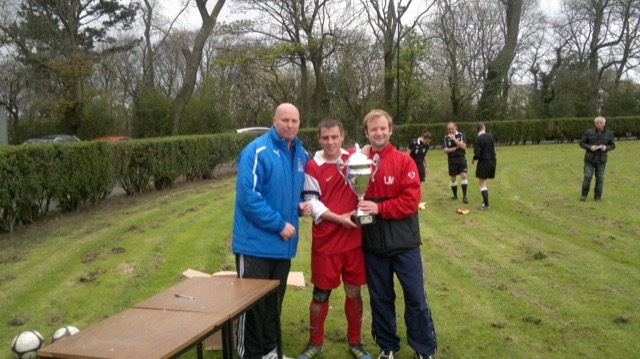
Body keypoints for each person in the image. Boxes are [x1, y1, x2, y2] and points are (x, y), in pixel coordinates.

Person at [232, 103, 311, 359]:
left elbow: (288, 192)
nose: (290, 125)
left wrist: (297, 207)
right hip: (255, 246)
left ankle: (269, 352)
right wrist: (279, 224)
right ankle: (250, 356)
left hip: (282, 247)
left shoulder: (300, 154)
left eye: (294, 121)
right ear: (274, 121)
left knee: (273, 306)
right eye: (285, 120)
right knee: (253, 308)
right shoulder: (256, 151)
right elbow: (248, 197)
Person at [357, 109, 437, 359]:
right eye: (373, 129)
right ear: (366, 132)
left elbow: (410, 203)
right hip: (374, 247)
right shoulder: (359, 163)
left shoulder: (404, 161)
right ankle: (387, 347)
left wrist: (379, 208)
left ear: (390, 130)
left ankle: (424, 350)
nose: (378, 133)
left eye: (383, 128)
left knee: (415, 298)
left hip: (405, 245)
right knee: (380, 299)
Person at [297, 118, 371, 359]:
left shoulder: (353, 158)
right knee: (320, 294)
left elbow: (371, 155)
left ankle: (355, 342)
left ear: (342, 136)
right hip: (326, 241)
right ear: (319, 138)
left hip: (353, 241)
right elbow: (312, 202)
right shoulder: (312, 166)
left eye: (334, 137)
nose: (330, 142)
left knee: (354, 292)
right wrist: (339, 218)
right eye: (325, 137)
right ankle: (315, 343)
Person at [579, 116, 615, 202]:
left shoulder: (609, 134)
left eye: (601, 123)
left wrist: (606, 148)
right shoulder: (589, 132)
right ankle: (584, 194)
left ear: (604, 124)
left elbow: (613, 145)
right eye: (597, 123)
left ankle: (598, 197)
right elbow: (581, 143)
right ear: (595, 124)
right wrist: (590, 147)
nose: (599, 124)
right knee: (587, 176)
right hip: (589, 159)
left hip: (602, 160)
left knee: (600, 178)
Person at [471, 122, 497, 210]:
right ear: (483, 127)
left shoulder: (477, 140)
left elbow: (477, 154)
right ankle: (485, 202)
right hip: (493, 160)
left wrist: (473, 158)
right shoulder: (490, 137)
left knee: (482, 183)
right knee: (483, 182)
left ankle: (486, 205)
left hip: (484, 162)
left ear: (477, 129)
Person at [442, 122, 468, 203]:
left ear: (456, 128)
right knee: (453, 179)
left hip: (461, 158)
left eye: (452, 128)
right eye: (449, 129)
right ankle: (455, 196)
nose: (450, 130)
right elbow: (445, 150)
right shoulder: (446, 138)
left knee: (463, 175)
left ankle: (465, 196)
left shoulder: (461, 135)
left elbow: (463, 146)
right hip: (452, 160)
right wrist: (456, 148)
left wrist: (454, 139)